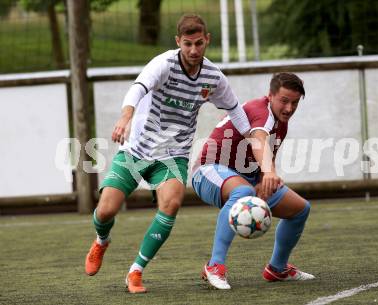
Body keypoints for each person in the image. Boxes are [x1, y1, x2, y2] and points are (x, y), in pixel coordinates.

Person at [84, 14, 251, 294]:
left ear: (207, 40)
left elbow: (234, 108)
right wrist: (125, 118)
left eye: (199, 43)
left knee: (171, 204)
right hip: (136, 149)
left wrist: (252, 137)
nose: (194, 50)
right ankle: (102, 240)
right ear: (178, 42)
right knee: (105, 210)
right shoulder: (163, 64)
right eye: (188, 44)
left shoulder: (213, 77)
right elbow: (137, 89)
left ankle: (136, 271)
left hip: (173, 155)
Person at [192, 72, 315, 290]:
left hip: (245, 178)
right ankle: (214, 266)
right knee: (243, 193)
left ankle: (277, 269)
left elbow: (266, 152)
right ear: (270, 96)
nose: (289, 108)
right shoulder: (262, 110)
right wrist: (269, 173)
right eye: (284, 101)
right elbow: (258, 140)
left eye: (295, 103)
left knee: (300, 209)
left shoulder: (281, 122)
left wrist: (264, 178)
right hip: (207, 171)